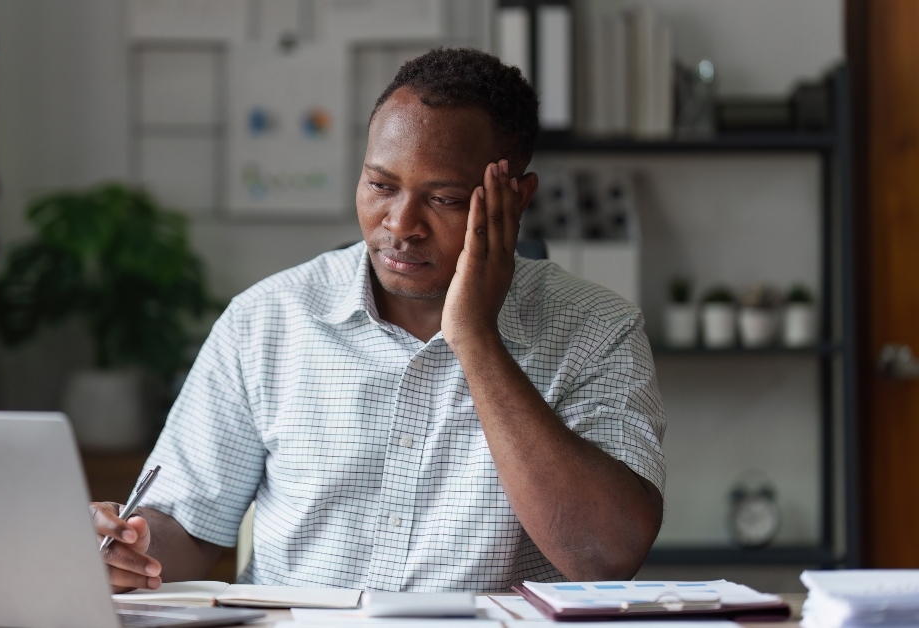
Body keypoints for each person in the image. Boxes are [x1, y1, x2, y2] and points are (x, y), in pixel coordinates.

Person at [92, 48, 666, 592]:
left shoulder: (599, 329)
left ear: (515, 199)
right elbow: (187, 528)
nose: (400, 224)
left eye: (443, 198)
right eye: (380, 185)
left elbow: (605, 556)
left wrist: (475, 338)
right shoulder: (266, 321)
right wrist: (130, 548)